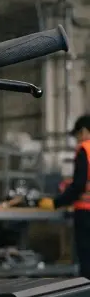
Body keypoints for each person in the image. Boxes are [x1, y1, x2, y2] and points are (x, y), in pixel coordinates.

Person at [39, 114, 90, 278]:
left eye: (77, 136)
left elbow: (79, 185)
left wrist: (56, 202)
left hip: (86, 213)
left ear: (83, 132)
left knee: (87, 261)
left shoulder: (85, 149)